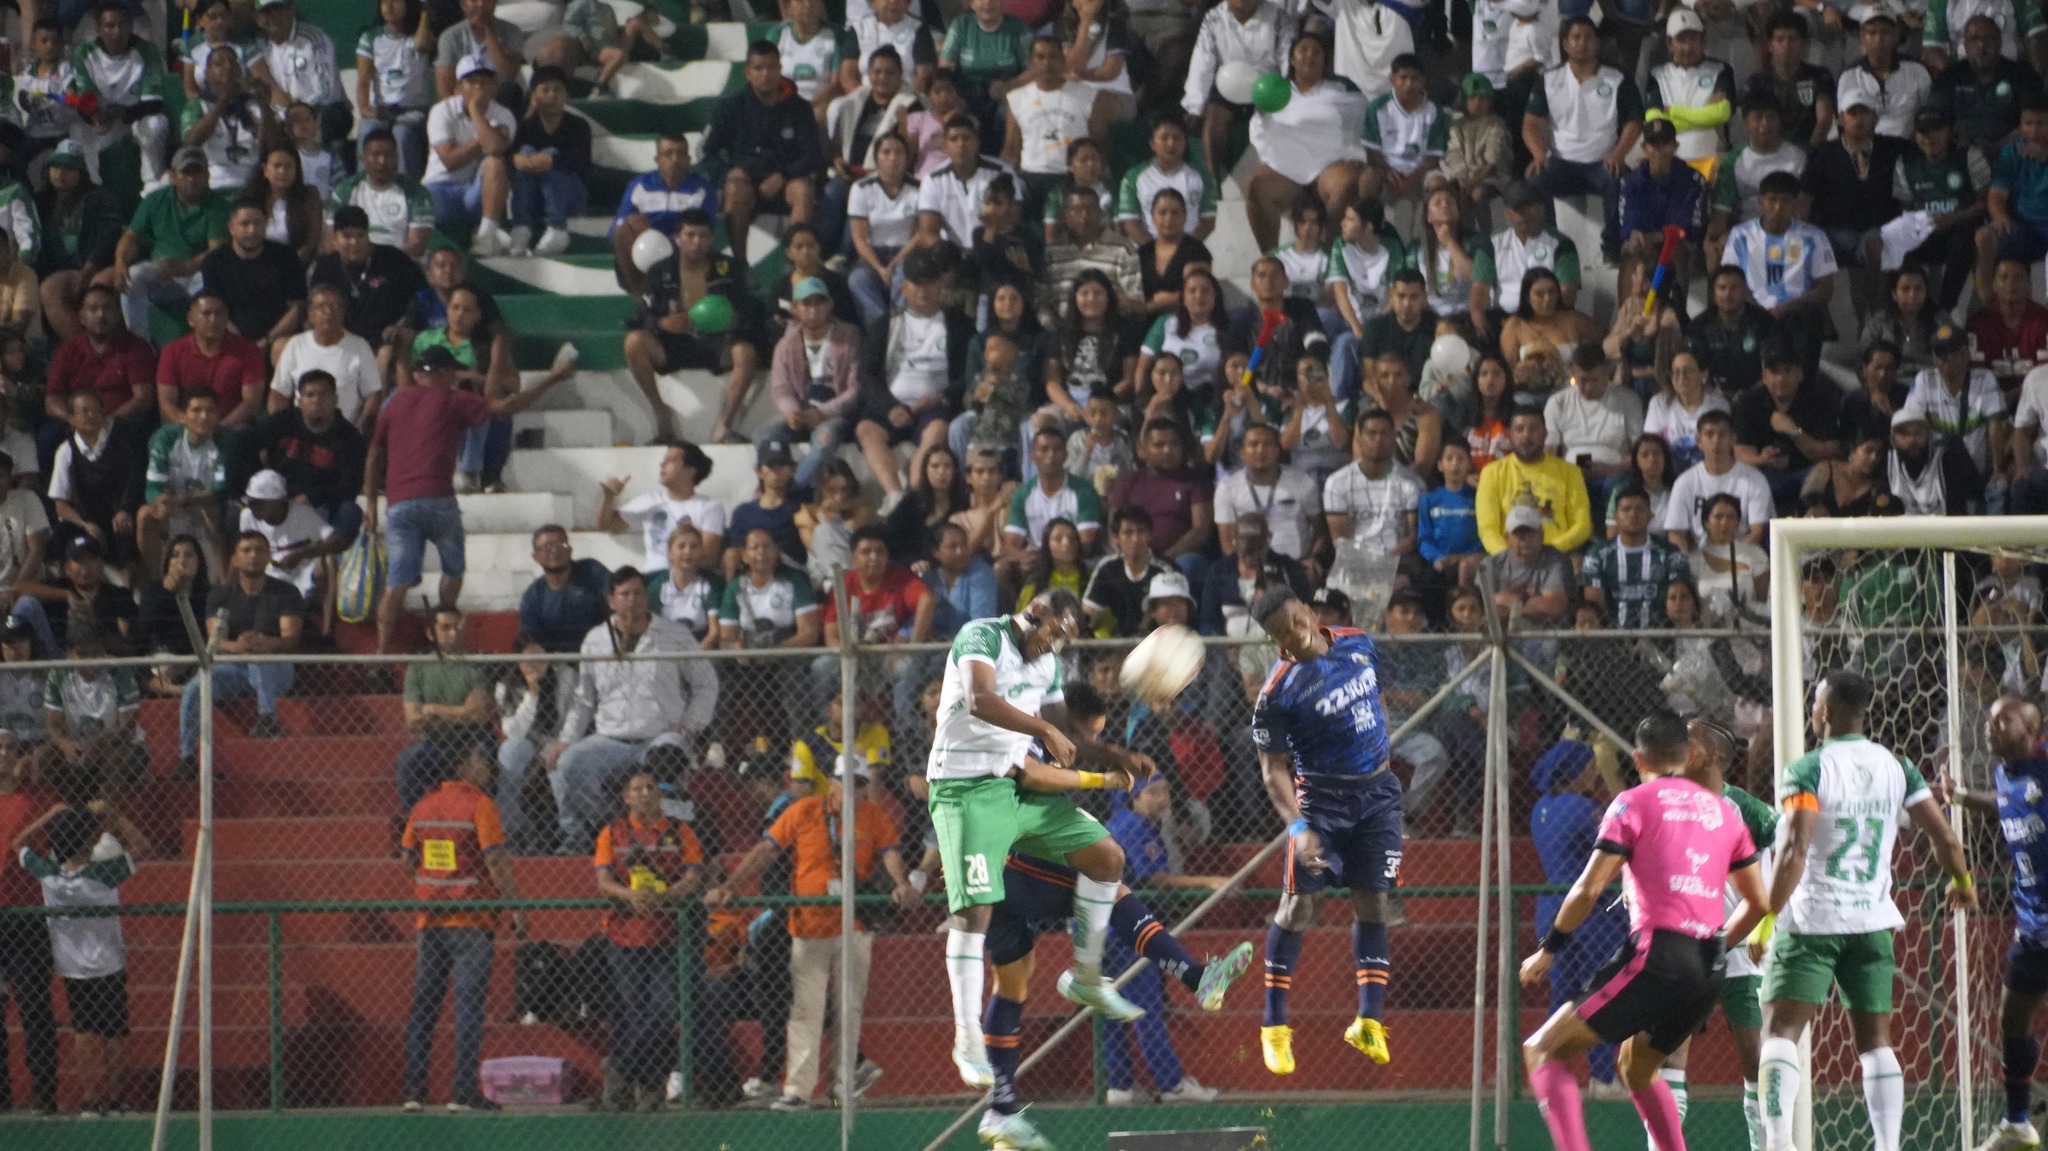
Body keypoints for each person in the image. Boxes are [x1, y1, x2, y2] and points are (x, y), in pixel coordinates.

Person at [925, 591, 1155, 1100]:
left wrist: (1116, 755)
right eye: (1057, 629)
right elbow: (982, 700)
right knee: (975, 912)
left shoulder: (1048, 661)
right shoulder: (980, 635)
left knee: (1108, 857)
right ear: (1034, 613)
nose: (1059, 641)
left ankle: (1087, 975)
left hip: (1014, 788)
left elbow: (1063, 732)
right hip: (964, 788)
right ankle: (966, 1039)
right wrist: (1044, 727)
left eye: (1068, 635)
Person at [1518, 712, 1768, 1151]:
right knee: (1636, 1066)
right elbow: (1760, 902)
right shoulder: (1723, 811)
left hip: (1657, 955)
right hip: (1710, 968)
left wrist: (1548, 949)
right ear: (1688, 755)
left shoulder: (1632, 802)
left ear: (1637, 757)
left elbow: (1588, 888)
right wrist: (1715, 944)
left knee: (1542, 1048)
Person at [1757, 670, 1976, 1151]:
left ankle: (1777, 1144)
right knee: (1877, 1041)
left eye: (1815, 704)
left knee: (1780, 1028)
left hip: (1812, 921)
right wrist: (1962, 883)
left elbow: (1794, 850)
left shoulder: (1807, 769)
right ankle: (1888, 1145)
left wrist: (1767, 918)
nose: (1813, 712)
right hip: (1873, 921)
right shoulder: (1900, 768)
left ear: (1826, 713)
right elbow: (1946, 838)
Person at [1247, 584, 1405, 1079]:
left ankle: (1370, 1021)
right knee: (1299, 907)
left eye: (1296, 621)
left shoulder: (1358, 642)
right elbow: (1272, 770)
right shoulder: (1277, 693)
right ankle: (1274, 1027)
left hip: (1379, 794)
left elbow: (1373, 696)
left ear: (1311, 614)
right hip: (1322, 803)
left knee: (1375, 902)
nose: (1293, 635)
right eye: (1280, 633)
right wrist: (1298, 827)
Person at [708, 751, 912, 1111]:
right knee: (806, 1008)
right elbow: (766, 850)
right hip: (808, 925)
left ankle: (844, 1088)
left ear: (866, 788)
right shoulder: (803, 811)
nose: (852, 790)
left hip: (854, 926)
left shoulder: (874, 815)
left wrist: (901, 883)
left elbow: (891, 852)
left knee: (849, 1007)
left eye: (860, 784)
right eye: (845, 783)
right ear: (832, 783)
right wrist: (731, 884)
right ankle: (798, 1091)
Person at [362, 344, 570, 655]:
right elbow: (510, 406)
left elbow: (375, 453)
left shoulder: (395, 402)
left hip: (399, 504)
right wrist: (553, 378)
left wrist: (369, 503)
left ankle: (380, 652)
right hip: (439, 500)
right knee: (453, 570)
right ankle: (444, 630)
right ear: (445, 373)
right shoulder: (453, 399)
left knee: (397, 583)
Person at [543, 568, 718, 854]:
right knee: (569, 763)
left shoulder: (674, 635)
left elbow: (706, 683)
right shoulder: (596, 640)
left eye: (638, 593)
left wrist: (690, 725)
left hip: (661, 736)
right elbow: (584, 699)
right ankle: (613, 827)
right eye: (624, 594)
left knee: (670, 754)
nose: (632, 600)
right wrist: (567, 739)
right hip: (611, 739)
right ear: (611, 600)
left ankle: (671, 837)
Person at [399, 736, 524, 1112]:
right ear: (465, 766)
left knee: (425, 1006)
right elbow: (496, 861)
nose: (486, 765)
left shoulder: (423, 806)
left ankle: (414, 1092)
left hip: (430, 918)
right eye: (479, 758)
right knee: (468, 1007)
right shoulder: (480, 805)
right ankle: (462, 1091)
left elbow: (408, 860)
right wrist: (516, 907)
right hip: (471, 919)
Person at [1946, 697, 2048, 1151]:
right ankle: (2018, 1124)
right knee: (2012, 1018)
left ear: (2031, 728)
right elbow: (2005, 802)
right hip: (2031, 926)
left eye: (2002, 720)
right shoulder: (2006, 774)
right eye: (1987, 719)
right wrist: (1963, 797)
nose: (1990, 727)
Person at [14, 800, 144, 1119]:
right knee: (114, 1029)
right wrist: (112, 813)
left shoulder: (50, 876)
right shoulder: (102, 875)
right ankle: (113, 1099)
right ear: (88, 841)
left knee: (83, 1027)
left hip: (73, 968)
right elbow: (142, 845)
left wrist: (50, 814)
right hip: (109, 962)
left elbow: (18, 843)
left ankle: (89, 1098)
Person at [592, 770, 704, 1112]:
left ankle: (620, 1069)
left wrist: (667, 896)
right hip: (624, 936)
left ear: (660, 794)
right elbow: (603, 879)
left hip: (667, 937)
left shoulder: (680, 832)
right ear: (626, 797)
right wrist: (630, 896)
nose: (644, 794)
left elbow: (694, 875)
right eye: (636, 789)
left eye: (651, 787)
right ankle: (645, 1090)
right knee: (631, 1014)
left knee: (662, 1010)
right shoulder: (612, 833)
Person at [1527, 740, 1626, 1102]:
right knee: (1599, 991)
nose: (1594, 772)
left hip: (1549, 908)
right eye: (1588, 767)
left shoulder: (1541, 809)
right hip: (1588, 911)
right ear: (1575, 772)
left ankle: (1552, 1079)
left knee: (1562, 993)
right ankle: (1601, 1078)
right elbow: (1617, 846)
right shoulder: (1587, 809)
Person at [626, 208, 761, 446]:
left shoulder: (730, 268)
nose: (697, 242)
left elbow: (752, 309)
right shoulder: (660, 271)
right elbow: (643, 316)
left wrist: (735, 320)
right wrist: (662, 323)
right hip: (674, 344)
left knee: (746, 352)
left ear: (712, 238)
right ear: (677, 238)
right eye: (690, 235)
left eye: (703, 236)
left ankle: (724, 425)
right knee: (634, 342)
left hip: (718, 344)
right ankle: (661, 414)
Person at [853, 248, 973, 497]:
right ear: (904, 287)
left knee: (938, 431)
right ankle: (896, 495)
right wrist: (889, 406)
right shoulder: (885, 324)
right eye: (917, 283)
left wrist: (940, 397)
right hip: (893, 405)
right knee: (866, 430)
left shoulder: (960, 325)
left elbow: (969, 374)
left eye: (930, 283)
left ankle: (916, 496)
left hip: (935, 405)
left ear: (941, 286)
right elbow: (867, 374)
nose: (923, 290)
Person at [177, 532, 300, 775]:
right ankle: (187, 757)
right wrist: (238, 646)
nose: (253, 555)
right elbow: (214, 640)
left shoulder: (286, 592)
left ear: (268, 557)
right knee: (194, 688)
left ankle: (268, 718)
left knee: (259, 658)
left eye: (259, 550)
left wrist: (267, 643)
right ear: (234, 558)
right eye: (246, 550)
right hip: (235, 669)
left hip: (276, 669)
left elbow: (291, 638)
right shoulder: (220, 595)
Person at [1521, 17, 1643, 258]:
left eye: (1588, 37)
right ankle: (1552, 244)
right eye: (1576, 38)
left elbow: (1635, 122)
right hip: (1561, 162)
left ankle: (1613, 247)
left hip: (1602, 163)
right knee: (1534, 179)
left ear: (1598, 42)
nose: (1582, 43)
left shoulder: (1618, 79)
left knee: (1620, 180)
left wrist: (1618, 155)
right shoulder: (1548, 80)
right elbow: (1529, 125)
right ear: (1565, 44)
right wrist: (1538, 154)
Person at [1241, 33, 1368, 255]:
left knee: (1347, 184)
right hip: (1287, 167)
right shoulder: (1275, 90)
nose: (1310, 55)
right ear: (1291, 60)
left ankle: (1331, 258)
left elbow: (1362, 120)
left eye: (1316, 51)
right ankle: (1272, 261)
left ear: (1324, 60)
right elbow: (1261, 129)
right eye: (1303, 50)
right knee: (1255, 186)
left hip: (1331, 164)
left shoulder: (1341, 88)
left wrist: (1357, 155)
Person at [100, 147, 228, 339]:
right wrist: (120, 261)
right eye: (185, 172)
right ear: (173, 176)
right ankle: (139, 343)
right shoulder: (156, 199)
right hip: (162, 272)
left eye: (197, 172)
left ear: (208, 175)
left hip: (198, 275)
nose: (192, 178)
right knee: (133, 276)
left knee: (211, 279)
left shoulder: (217, 205)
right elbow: (131, 236)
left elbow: (217, 250)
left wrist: (186, 267)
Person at [703, 41, 823, 246]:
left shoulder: (799, 108)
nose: (765, 74)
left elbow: (812, 155)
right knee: (734, 189)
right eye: (758, 68)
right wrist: (727, 173)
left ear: (780, 69)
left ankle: (795, 262)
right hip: (746, 183)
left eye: (771, 67)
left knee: (803, 190)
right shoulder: (730, 107)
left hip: (785, 183)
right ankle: (739, 264)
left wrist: (784, 175)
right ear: (747, 72)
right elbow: (708, 151)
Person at [1721, 172, 1834, 379]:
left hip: (1795, 312)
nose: (1778, 208)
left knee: (1812, 315)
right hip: (1752, 309)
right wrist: (1758, 308)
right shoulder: (1741, 235)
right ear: (1761, 201)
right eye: (1772, 200)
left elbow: (1825, 289)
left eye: (1785, 201)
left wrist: (1785, 308)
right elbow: (1730, 280)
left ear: (1795, 203)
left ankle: (1803, 382)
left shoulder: (1814, 237)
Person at [0, 736, 57, 1115]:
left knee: (35, 1004)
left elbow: (23, 853)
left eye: (10, 749)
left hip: (25, 917)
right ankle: (2, 1095)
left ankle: (44, 1092)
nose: (4, 755)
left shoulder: (39, 800)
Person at [1181, 0, 1292, 194]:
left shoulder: (1279, 17)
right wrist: (1194, 106)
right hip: (1228, 84)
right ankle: (1213, 182)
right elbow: (1203, 60)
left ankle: (1274, 184)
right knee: (1214, 120)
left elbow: (1287, 58)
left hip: (1268, 85)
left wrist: (1287, 97)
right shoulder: (1213, 18)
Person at [763, 279, 862, 491]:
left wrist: (823, 413)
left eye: (819, 303)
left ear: (829, 305)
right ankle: (766, 490)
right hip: (802, 410)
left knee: (824, 441)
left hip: (836, 413)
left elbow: (856, 388)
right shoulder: (786, 344)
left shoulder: (849, 336)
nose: (813, 310)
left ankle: (791, 492)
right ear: (796, 308)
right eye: (807, 304)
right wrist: (792, 412)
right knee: (764, 434)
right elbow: (781, 389)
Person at [394, 605, 493, 811]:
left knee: (487, 756)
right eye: (446, 627)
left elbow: (479, 715)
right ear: (431, 632)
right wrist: (462, 712)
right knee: (408, 762)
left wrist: (434, 709)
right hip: (434, 743)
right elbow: (414, 720)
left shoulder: (475, 665)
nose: (453, 634)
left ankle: (487, 825)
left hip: (472, 740)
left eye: (457, 627)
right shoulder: (418, 667)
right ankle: (419, 821)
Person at [1893, 109, 1992, 313]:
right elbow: (1905, 210)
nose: (1930, 137)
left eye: (1936, 130)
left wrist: (1953, 218)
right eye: (1923, 131)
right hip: (1925, 228)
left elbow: (1985, 203)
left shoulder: (1969, 157)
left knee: (1964, 241)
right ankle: (1911, 308)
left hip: (1960, 228)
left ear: (1948, 131)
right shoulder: (1906, 164)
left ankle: (1944, 309)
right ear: (1915, 135)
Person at [255, 370, 367, 548]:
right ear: (300, 401)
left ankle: (326, 559)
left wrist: (312, 497)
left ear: (335, 400)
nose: (317, 400)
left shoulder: (350, 438)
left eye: (323, 394)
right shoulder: (282, 422)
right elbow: (249, 444)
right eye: (310, 395)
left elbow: (349, 487)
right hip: (280, 501)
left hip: (323, 505)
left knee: (350, 512)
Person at [71, 2, 171, 191]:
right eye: (110, 26)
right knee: (77, 131)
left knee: (157, 124)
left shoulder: (147, 50)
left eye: (123, 24)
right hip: (105, 120)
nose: (117, 32)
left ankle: (152, 185)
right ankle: (92, 187)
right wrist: (94, 117)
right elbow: (85, 99)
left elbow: (154, 102)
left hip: (136, 117)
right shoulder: (84, 53)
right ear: (98, 29)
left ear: (131, 26)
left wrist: (122, 113)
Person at [1733, 343, 1843, 512]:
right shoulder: (1748, 403)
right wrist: (1762, 459)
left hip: (1807, 472)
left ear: (1800, 374)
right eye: (1775, 372)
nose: (1781, 378)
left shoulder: (1819, 401)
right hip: (1766, 473)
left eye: (1788, 371)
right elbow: (1740, 453)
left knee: (1826, 478)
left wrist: (1794, 431)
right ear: (1764, 376)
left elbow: (1833, 453)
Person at [47, 390, 145, 577]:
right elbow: (60, 505)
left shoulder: (123, 443)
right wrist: (84, 524)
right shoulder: (66, 451)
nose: (91, 416)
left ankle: (128, 585)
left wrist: (125, 509)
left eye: (95, 410)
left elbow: (134, 481)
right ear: (72, 418)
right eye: (84, 411)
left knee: (125, 532)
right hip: (86, 521)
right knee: (61, 533)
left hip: (118, 517)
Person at [34, 142, 124, 346]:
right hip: (59, 270)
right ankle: (83, 350)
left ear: (81, 172)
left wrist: (89, 268)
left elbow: (109, 235)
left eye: (68, 168)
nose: (60, 173)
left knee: (97, 287)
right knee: (49, 288)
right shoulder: (41, 202)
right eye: (55, 167)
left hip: (96, 266)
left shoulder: (100, 198)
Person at [425, 53, 515, 255]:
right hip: (440, 188)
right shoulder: (441, 111)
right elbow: (450, 160)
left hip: (476, 193)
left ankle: (486, 235)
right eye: (472, 82)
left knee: (495, 163)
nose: (479, 88)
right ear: (458, 88)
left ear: (495, 86)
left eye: (485, 82)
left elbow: (495, 149)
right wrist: (485, 134)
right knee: (416, 200)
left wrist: (474, 110)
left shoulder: (503, 114)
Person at [309, 206, 429, 357]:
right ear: (334, 239)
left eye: (360, 235)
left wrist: (403, 324)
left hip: (388, 340)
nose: (354, 242)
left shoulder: (394, 259)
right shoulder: (325, 267)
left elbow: (421, 295)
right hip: (340, 340)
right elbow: (315, 306)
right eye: (347, 236)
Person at [1474, 405, 1591, 554]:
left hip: (1557, 556)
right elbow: (1487, 528)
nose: (1526, 435)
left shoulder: (1570, 472)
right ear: (1509, 434)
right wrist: (1508, 556)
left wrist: (1552, 551)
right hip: (1509, 557)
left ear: (1545, 433)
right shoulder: (1491, 473)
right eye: (1520, 429)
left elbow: (1582, 525)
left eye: (1534, 429)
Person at [1707, 93, 1808, 267]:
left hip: (1787, 229)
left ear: (1779, 122)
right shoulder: (1732, 161)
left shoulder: (1798, 157)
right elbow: (1721, 213)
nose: (1764, 124)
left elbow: (1802, 209)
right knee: (1717, 248)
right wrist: (1710, 240)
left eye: (1770, 118)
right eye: (1758, 118)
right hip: (1746, 230)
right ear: (1746, 124)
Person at [596, 441, 726, 574]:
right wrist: (609, 498)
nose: (662, 464)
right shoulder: (651, 500)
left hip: (690, 576)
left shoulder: (709, 507)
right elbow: (606, 525)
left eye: (671, 461)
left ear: (689, 472)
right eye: (664, 460)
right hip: (653, 576)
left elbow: (709, 556)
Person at [1902, 321, 2010, 478]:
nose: (1945, 360)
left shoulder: (1984, 378)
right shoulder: (1925, 380)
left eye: (1952, 353)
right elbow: (1911, 422)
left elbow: (1995, 427)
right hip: (1935, 469)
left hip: (1975, 471)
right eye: (1940, 354)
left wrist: (1998, 470)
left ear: (1967, 354)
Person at [138, 390, 227, 579]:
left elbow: (221, 488)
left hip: (206, 509)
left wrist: (187, 500)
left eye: (210, 410)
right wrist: (159, 502)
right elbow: (153, 486)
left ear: (218, 415)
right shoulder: (166, 438)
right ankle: (154, 583)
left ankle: (223, 585)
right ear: (184, 415)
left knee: (215, 512)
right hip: (174, 508)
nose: (203, 416)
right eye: (196, 410)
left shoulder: (225, 439)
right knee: (146, 515)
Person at [201, 200, 306, 358]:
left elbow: (297, 308)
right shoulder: (215, 261)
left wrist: (267, 340)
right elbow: (217, 310)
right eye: (245, 224)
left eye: (258, 223)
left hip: (276, 337)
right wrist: (242, 343)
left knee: (283, 348)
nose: (252, 230)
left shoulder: (286, 257)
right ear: (231, 228)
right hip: (231, 336)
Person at [1661, 410, 1774, 551]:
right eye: (1709, 434)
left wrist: (1727, 559)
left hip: (1743, 556)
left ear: (1733, 439)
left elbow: (1758, 532)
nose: (1716, 440)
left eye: (1722, 434)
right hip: (1700, 559)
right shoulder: (1685, 482)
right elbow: (1676, 534)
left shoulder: (1755, 479)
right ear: (1699, 441)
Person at [269, 287, 382, 428]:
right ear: (310, 314)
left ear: (343, 313)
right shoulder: (296, 345)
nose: (328, 312)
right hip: (303, 433)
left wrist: (358, 432)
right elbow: (279, 394)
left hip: (345, 433)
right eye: (321, 307)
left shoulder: (359, 346)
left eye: (335, 306)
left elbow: (373, 395)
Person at [507, 65, 589, 256]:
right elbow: (509, 154)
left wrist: (550, 161)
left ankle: (557, 230)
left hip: (569, 195)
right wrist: (518, 160)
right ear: (534, 96)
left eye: (558, 90)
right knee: (526, 152)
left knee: (550, 159)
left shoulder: (579, 126)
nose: (552, 95)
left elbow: (580, 161)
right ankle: (522, 228)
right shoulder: (526, 127)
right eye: (545, 90)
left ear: (567, 95)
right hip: (534, 196)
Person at [1928, 16, 2040, 153]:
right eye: (1974, 39)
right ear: (1965, 45)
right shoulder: (1949, 77)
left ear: (1999, 43)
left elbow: (2036, 121)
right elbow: (1934, 121)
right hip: (1961, 154)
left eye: (1989, 38)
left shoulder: (2022, 75)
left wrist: (1999, 147)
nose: (1981, 44)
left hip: (2013, 153)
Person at [1975, 95, 2048, 304]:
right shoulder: (2012, 151)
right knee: (1984, 238)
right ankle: (1989, 306)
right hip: (2021, 224)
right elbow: (1996, 196)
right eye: (2028, 124)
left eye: (2041, 124)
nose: (2033, 130)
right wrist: (2002, 219)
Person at [155, 292, 264, 431]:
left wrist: (218, 430)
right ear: (190, 319)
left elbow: (251, 402)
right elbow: (167, 402)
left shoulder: (247, 350)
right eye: (206, 314)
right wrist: (192, 428)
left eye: (219, 313)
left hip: (231, 429)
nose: (213, 319)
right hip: (185, 429)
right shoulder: (172, 351)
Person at [1584, 484, 1686, 627]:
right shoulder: (1598, 556)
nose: (1633, 514)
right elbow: (1594, 606)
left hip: (1662, 638)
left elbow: (1680, 602)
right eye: (1626, 509)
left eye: (1639, 509)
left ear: (1650, 515)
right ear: (1615, 517)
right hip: (1610, 640)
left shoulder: (1670, 554)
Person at [355, 0, 435, 178]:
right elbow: (363, 78)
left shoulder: (421, 35)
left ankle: (408, 189)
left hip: (414, 110)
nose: (389, 7)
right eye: (384, 2)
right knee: (367, 129)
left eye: (396, 1)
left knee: (402, 133)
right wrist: (365, 108)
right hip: (383, 109)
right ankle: (361, 184)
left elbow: (422, 45)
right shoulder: (370, 38)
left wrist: (423, 11)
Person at [1617, 118, 1706, 273]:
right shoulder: (1631, 181)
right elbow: (1628, 218)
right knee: (1630, 250)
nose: (1659, 150)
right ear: (1644, 148)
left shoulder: (1692, 180)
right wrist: (1634, 232)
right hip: (1645, 239)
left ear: (1675, 146)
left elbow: (1689, 225)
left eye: (1665, 143)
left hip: (1680, 243)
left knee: (1676, 250)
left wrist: (1657, 236)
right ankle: (1628, 298)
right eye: (1654, 144)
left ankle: (1677, 297)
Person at [1837, 8, 1933, 141]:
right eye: (1872, 33)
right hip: (1867, 149)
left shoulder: (1917, 70)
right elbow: (1845, 124)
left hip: (1908, 148)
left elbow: (1930, 116)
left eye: (1885, 32)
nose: (1879, 39)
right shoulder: (1849, 76)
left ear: (1896, 35)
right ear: (1862, 37)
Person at [516, 525, 611, 655]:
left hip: (602, 655)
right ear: (535, 557)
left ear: (570, 550)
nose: (554, 550)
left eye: (560, 544)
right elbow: (528, 635)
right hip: (558, 662)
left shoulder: (593, 571)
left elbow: (617, 596)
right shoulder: (534, 595)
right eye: (547, 547)